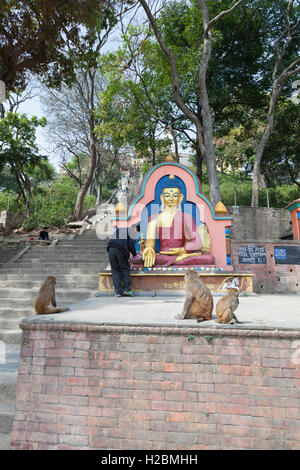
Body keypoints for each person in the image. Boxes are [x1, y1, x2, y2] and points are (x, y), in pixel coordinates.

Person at [131, 175, 214, 268]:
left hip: (182, 254)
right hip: (164, 256)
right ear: (162, 197)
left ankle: (176, 260)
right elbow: (150, 244)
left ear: (181, 197)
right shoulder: (154, 218)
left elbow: (198, 243)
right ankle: (176, 260)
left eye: (175, 195)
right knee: (138, 259)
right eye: (167, 195)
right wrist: (149, 250)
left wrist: (182, 250)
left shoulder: (186, 217)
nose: (171, 199)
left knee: (209, 259)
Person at [107, 225, 137, 297]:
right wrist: (134, 254)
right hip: (120, 250)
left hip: (111, 249)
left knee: (115, 270)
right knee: (125, 269)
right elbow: (131, 245)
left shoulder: (120, 229)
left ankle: (118, 292)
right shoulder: (131, 231)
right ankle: (126, 290)